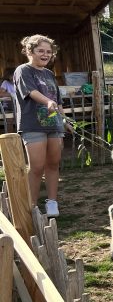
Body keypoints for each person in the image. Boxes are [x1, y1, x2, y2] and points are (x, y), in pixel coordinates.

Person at [13, 35, 65, 218]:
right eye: (40, 51)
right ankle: (32, 205)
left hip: (54, 125)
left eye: (49, 52)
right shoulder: (23, 70)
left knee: (53, 164)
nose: (45, 54)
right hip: (32, 124)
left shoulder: (49, 74)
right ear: (30, 51)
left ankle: (52, 202)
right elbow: (31, 92)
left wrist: (64, 120)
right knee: (36, 166)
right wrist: (47, 102)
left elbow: (57, 101)